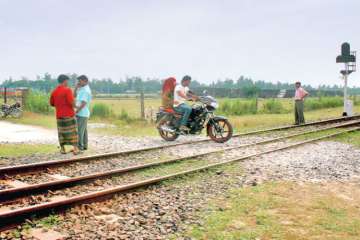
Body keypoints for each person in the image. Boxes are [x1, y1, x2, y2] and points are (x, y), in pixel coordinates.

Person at [50, 74, 80, 155]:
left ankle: (63, 149)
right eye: (67, 81)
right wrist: (76, 106)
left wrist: (59, 105)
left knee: (62, 133)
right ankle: (76, 149)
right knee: (73, 132)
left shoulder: (54, 91)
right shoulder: (67, 90)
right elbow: (71, 102)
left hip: (59, 116)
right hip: (69, 115)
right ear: (65, 81)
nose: (68, 82)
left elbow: (52, 103)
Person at [74, 75, 92, 151]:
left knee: (80, 131)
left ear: (85, 81)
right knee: (83, 130)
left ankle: (80, 147)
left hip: (82, 113)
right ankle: (85, 146)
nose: (79, 82)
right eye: (78, 81)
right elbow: (74, 96)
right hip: (82, 113)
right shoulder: (82, 89)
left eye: (80, 81)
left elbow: (84, 103)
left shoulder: (85, 90)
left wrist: (76, 111)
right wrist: (75, 88)